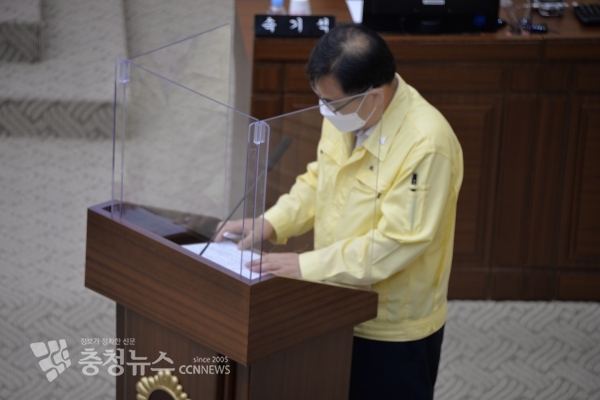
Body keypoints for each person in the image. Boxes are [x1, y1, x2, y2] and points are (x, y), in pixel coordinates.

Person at [215, 23, 463, 400]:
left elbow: (396, 243)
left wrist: (305, 266)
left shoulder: (426, 146)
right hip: (332, 303)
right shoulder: (349, 111)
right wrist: (272, 222)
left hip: (389, 327)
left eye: (330, 102)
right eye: (319, 98)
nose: (323, 109)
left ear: (374, 96)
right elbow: (321, 179)